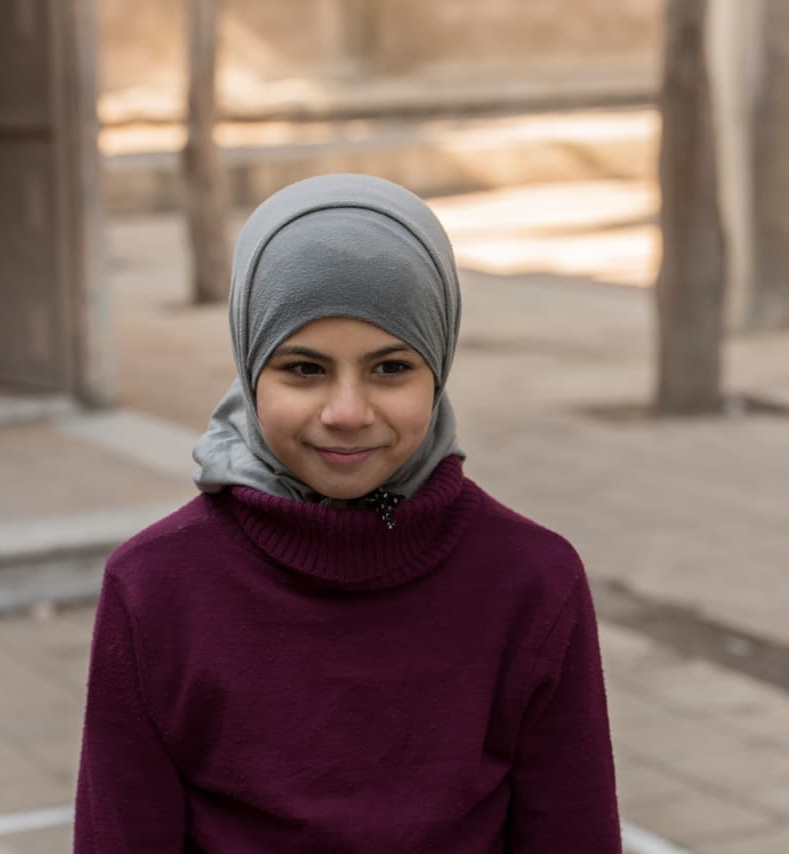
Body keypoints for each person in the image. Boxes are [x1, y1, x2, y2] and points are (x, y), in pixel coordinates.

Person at [74, 174, 621, 852]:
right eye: (304, 370)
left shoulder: (533, 581)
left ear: (439, 368)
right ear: (249, 368)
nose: (347, 412)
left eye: (390, 369)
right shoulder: (154, 588)